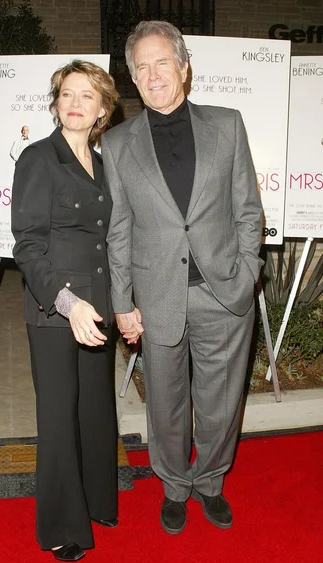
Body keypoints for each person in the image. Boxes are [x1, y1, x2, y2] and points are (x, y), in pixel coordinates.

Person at [102, 21, 264, 534]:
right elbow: (119, 231)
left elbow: (249, 211)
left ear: (184, 67)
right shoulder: (118, 143)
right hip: (156, 298)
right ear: (133, 77)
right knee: (167, 405)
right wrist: (122, 301)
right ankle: (174, 486)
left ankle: (211, 481)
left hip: (223, 292)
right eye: (141, 68)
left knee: (220, 402)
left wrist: (247, 273)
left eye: (161, 63)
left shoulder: (228, 124)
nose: (152, 76)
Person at [11, 60, 119, 562]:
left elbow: (109, 242)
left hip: (99, 306)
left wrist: (122, 305)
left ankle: (97, 501)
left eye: (86, 96)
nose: (75, 103)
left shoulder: (103, 161)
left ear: (102, 109)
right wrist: (67, 302)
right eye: (67, 94)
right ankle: (60, 526)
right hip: (55, 309)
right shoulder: (38, 158)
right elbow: (28, 244)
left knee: (94, 411)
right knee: (58, 417)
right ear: (56, 103)